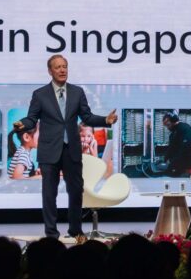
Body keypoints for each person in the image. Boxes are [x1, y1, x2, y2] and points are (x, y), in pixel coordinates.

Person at [14, 55, 117, 242]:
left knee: (76, 191)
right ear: (50, 71)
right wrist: (23, 124)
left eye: (65, 66)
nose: (62, 70)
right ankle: (51, 234)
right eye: (58, 67)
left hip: (72, 151)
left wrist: (105, 120)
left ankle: (75, 230)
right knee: (49, 193)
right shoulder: (40, 94)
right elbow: (32, 118)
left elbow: (87, 117)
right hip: (49, 150)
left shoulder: (77, 92)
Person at [162, 113, 191, 177]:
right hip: (176, 165)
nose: (168, 128)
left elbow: (185, 149)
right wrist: (165, 160)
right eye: (166, 126)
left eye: (168, 125)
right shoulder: (173, 133)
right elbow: (171, 148)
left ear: (174, 121)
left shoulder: (186, 129)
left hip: (185, 168)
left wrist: (172, 162)